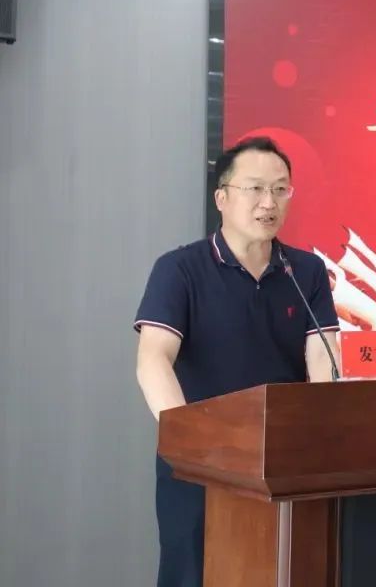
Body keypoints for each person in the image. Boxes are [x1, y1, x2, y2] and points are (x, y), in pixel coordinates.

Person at [133, 136, 340, 587]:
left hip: (283, 461)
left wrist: (323, 433)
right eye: (255, 188)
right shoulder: (180, 269)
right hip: (201, 462)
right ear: (222, 198)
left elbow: (325, 362)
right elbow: (153, 360)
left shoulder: (305, 272)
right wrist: (188, 439)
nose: (269, 202)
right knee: (195, 573)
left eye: (280, 189)